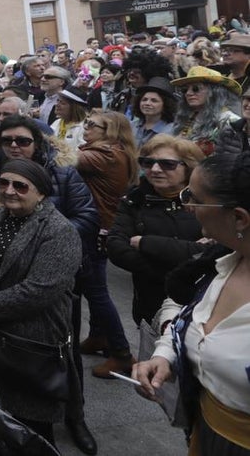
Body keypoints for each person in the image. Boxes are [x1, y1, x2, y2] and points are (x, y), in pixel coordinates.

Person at [0, 158, 83, 445]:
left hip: (29, 341)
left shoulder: (59, 231)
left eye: (20, 185)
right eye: (3, 183)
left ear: (40, 192)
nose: (9, 190)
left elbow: (38, 291)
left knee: (30, 429)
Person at [133, 150, 250, 455]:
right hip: (206, 432)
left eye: (194, 198)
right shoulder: (221, 262)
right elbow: (192, 317)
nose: (186, 206)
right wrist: (165, 355)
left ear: (238, 217)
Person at [105, 136, 206, 357]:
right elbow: (116, 248)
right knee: (155, 371)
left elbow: (211, 254)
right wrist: (179, 263)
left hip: (199, 305)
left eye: (167, 164)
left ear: (188, 167)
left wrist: (145, 242)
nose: (155, 169)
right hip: (148, 303)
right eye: (147, 162)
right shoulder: (134, 200)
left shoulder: (205, 202)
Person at [76, 110, 138, 378]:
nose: (85, 127)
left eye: (92, 125)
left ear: (109, 131)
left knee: (97, 291)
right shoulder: (114, 152)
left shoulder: (106, 154)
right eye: (86, 123)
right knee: (93, 289)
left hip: (96, 229)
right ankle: (99, 336)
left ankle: (122, 353)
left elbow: (63, 159)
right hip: (97, 226)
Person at [172, 66, 242, 156]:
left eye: (195, 89)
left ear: (214, 92)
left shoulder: (230, 121)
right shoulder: (187, 118)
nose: (188, 93)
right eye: (185, 90)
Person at [131, 76, 177, 149]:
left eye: (154, 100)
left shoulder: (172, 131)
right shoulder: (131, 126)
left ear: (165, 105)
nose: (147, 103)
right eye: (144, 99)